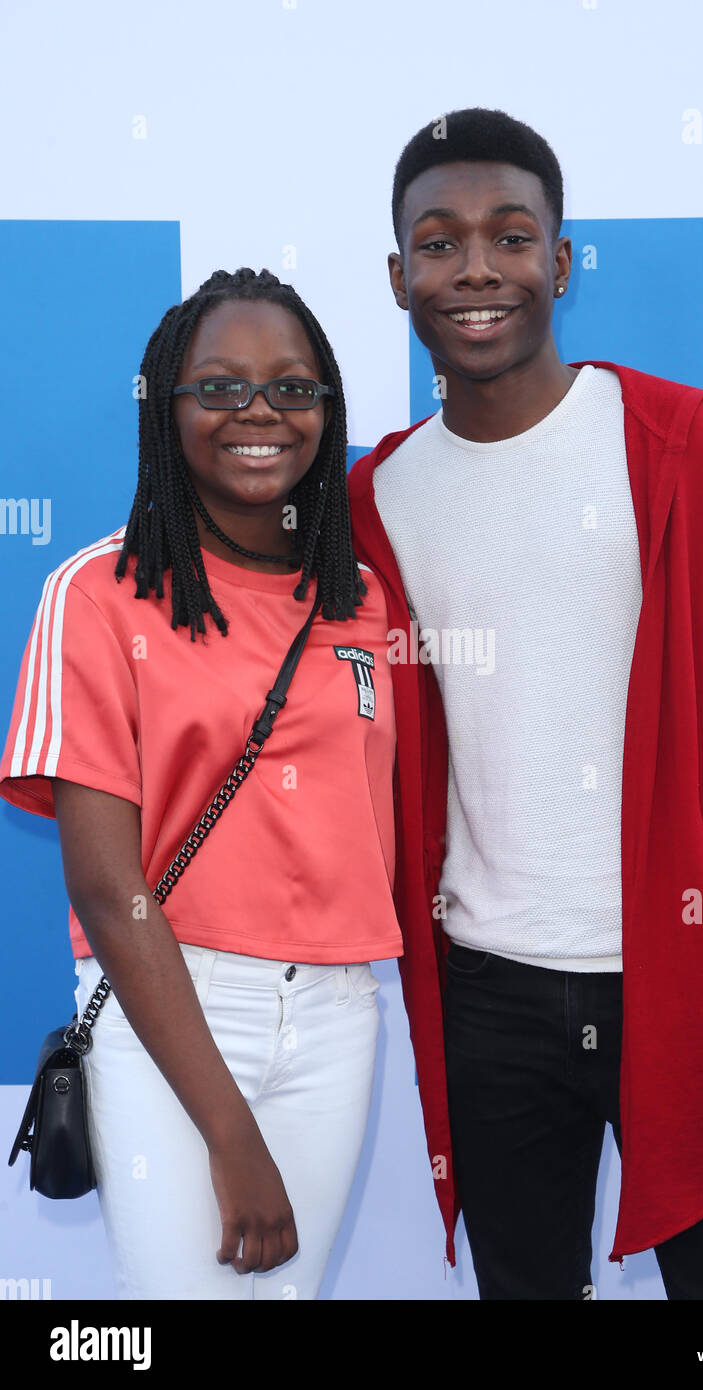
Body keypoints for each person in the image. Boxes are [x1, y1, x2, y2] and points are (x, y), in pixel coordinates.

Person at [346, 108, 703, 1300]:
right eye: (439, 241)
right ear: (398, 277)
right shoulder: (374, 496)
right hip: (489, 995)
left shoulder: (691, 448)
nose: (476, 269)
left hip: (695, 978)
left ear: (561, 263)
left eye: (511, 237)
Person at [0, 267, 400, 1300]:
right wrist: (231, 1133)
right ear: (166, 408)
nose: (260, 411)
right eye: (219, 387)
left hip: (338, 1011)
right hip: (171, 1009)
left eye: (293, 388)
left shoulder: (361, 602)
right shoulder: (98, 593)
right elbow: (103, 883)